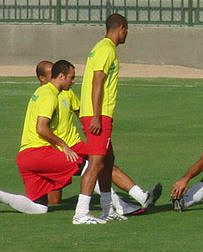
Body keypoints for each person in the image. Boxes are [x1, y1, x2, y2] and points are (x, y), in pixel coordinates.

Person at [34, 60, 161, 215]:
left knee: (103, 162)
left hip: (74, 144)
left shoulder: (66, 93)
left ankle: (138, 198)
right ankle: (121, 204)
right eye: (50, 73)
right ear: (43, 78)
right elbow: (41, 127)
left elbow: (80, 111)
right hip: (58, 149)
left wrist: (88, 127)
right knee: (55, 198)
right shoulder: (44, 96)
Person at [0, 60, 82, 215]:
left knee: (39, 208)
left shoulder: (40, 92)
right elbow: (41, 128)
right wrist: (64, 145)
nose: (73, 81)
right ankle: (104, 207)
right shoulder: (49, 95)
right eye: (71, 77)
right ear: (61, 76)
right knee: (87, 167)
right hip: (37, 153)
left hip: (26, 157)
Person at [73, 13, 129, 224]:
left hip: (99, 114)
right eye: (126, 31)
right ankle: (80, 213)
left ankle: (107, 209)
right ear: (121, 28)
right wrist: (96, 116)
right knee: (96, 163)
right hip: (99, 115)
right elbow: (98, 82)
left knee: (107, 161)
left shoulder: (101, 48)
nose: (126, 35)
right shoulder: (106, 49)